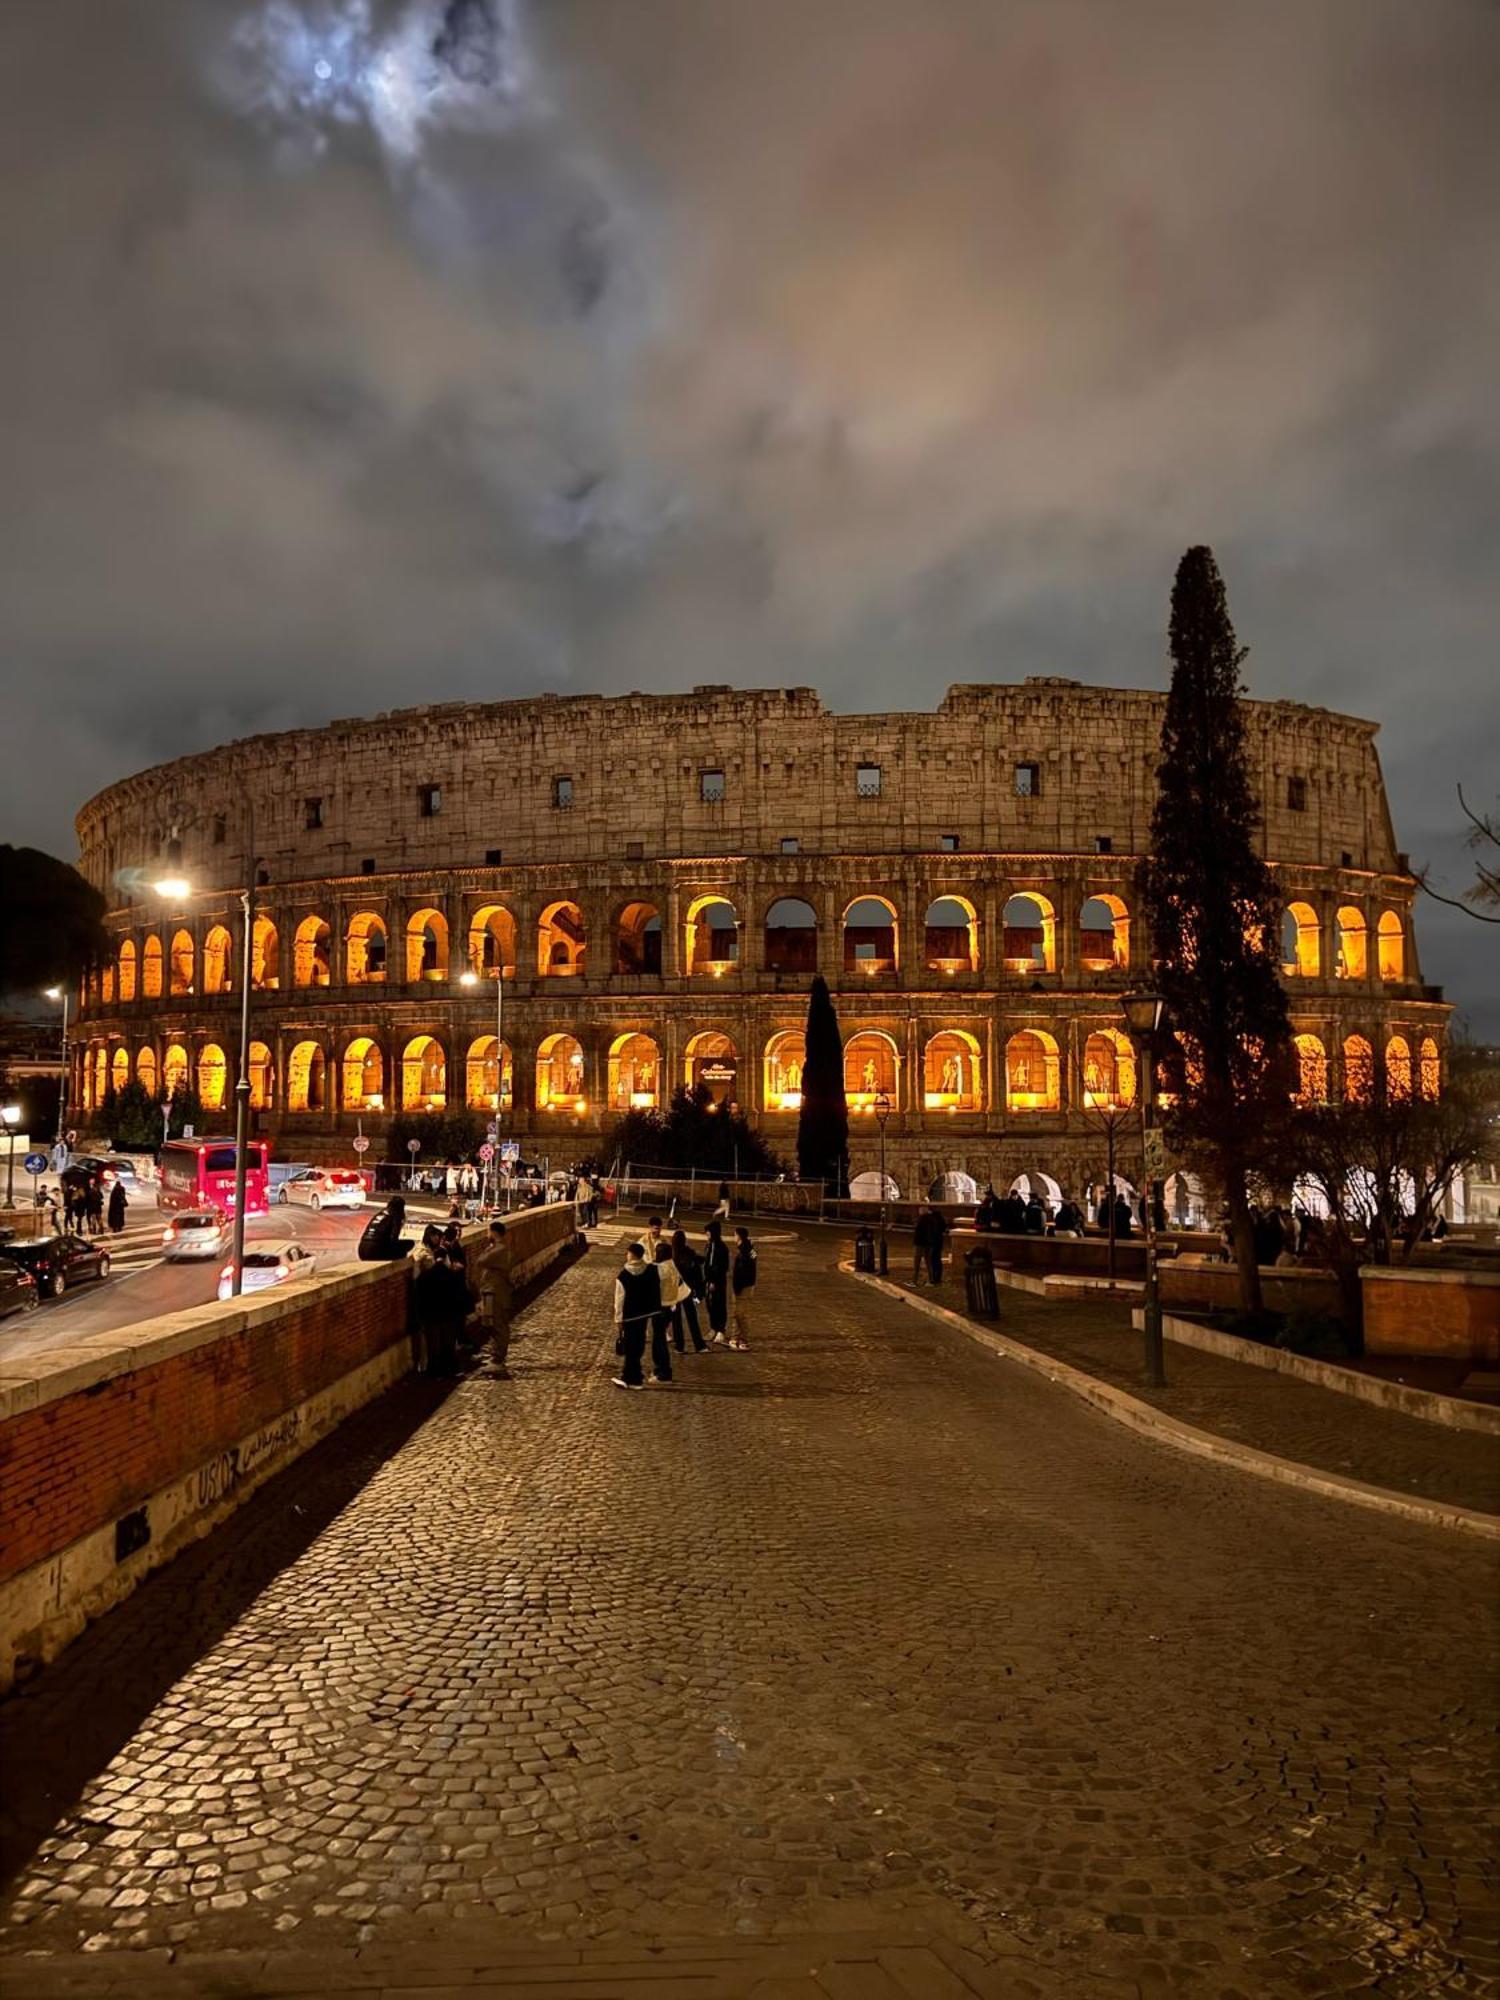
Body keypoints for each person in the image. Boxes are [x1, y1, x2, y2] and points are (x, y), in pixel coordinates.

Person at [612, 1241, 661, 1389]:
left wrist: (618, 1319)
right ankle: (636, 1375)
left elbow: (619, 1300)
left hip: (629, 1315)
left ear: (631, 1255)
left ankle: (630, 1378)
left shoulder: (623, 1276)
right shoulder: (650, 1270)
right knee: (639, 1343)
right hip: (644, 1313)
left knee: (630, 1346)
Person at [471, 1221, 513, 1378]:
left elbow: (481, 1260)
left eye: (488, 1232)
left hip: (496, 1292)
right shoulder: (500, 1249)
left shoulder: (499, 1250)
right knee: (493, 1323)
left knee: (497, 1324)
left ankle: (498, 1359)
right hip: (494, 1291)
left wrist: (488, 1248)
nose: (486, 1235)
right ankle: (495, 1356)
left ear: (494, 1233)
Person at [670, 1228, 708, 1352]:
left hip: (675, 1291)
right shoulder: (689, 1254)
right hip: (688, 1290)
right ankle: (699, 1345)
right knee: (692, 1318)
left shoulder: (672, 1255)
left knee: (676, 1320)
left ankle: (679, 1345)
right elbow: (697, 1270)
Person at [649, 1243, 679, 1382]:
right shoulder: (672, 1265)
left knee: (659, 1342)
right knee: (659, 1339)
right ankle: (661, 1370)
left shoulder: (661, 1269)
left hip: (661, 1308)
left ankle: (664, 1372)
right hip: (670, 1306)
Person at [703, 1217, 731, 1344]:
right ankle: (713, 1328)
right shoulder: (709, 1246)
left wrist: (713, 1280)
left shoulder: (720, 1248)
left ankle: (721, 1330)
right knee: (710, 1305)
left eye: (708, 1233)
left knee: (719, 1304)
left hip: (717, 1282)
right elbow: (707, 1263)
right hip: (709, 1281)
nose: (706, 1235)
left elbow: (722, 1267)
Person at [358, 1195, 411, 1261]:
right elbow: (393, 1239)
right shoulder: (396, 1215)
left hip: (362, 1250)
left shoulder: (380, 1213)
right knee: (409, 1244)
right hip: (375, 1251)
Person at [730, 1227, 757, 1349]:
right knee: (737, 1313)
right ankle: (735, 1337)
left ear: (739, 1236)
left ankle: (743, 1340)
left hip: (743, 1286)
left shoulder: (744, 1252)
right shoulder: (749, 1249)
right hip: (747, 1285)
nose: (733, 1237)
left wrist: (737, 1287)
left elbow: (742, 1271)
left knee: (741, 1314)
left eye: (734, 1235)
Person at [920, 1202, 948, 1284]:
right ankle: (936, 1277)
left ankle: (933, 1278)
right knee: (936, 1259)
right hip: (938, 1241)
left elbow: (927, 1231)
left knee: (932, 1260)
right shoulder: (939, 1218)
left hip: (932, 1242)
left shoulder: (930, 1219)